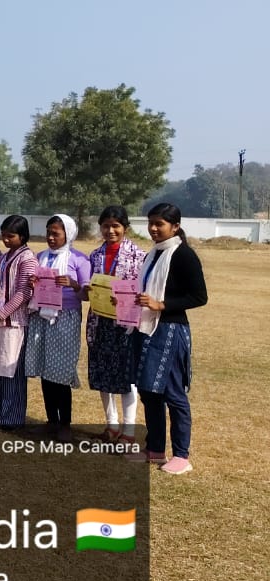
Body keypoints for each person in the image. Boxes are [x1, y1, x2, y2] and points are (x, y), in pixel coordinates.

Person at [130, 203, 207, 474]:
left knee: (173, 394)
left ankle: (182, 456)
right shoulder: (153, 253)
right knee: (149, 391)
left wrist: (161, 304)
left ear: (175, 226)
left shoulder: (184, 255)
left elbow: (199, 296)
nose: (153, 228)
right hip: (146, 328)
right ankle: (154, 449)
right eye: (150, 222)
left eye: (159, 224)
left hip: (170, 330)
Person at [24, 214, 91, 436]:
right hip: (41, 316)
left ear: (68, 234)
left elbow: (86, 295)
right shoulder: (40, 257)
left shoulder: (79, 260)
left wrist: (73, 284)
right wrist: (33, 283)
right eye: (48, 233)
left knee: (60, 371)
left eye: (56, 233)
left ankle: (65, 424)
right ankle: (51, 420)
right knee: (45, 369)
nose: (51, 237)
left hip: (65, 318)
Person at [84, 205, 146, 442]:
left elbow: (142, 291)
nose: (110, 231)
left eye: (116, 226)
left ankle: (128, 430)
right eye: (106, 226)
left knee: (126, 376)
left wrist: (124, 299)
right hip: (100, 323)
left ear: (125, 228)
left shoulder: (139, 256)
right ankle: (111, 424)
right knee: (102, 373)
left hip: (125, 325)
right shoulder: (95, 256)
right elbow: (88, 288)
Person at [0, 215, 38, 429]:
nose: (6, 240)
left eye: (11, 236)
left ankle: (11, 418)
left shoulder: (27, 259)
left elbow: (24, 292)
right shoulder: (6, 256)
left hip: (13, 323)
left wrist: (2, 313)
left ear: (23, 236)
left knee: (11, 371)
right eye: (4, 235)